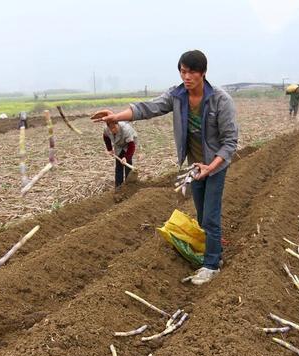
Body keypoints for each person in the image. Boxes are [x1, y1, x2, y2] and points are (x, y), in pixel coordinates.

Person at [92, 50, 238, 285]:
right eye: (182, 71)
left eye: (191, 72)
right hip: (194, 166)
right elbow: (147, 108)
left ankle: (211, 265)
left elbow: (230, 142)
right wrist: (116, 117)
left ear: (203, 73)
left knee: (210, 216)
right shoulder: (177, 95)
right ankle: (213, 253)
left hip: (215, 166)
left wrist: (211, 167)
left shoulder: (221, 100)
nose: (186, 76)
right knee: (201, 215)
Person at [100, 117, 137, 188]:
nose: (113, 130)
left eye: (114, 127)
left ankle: (129, 186)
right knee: (118, 164)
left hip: (129, 143)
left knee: (127, 163)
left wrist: (126, 157)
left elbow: (131, 146)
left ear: (117, 124)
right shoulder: (106, 129)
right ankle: (118, 186)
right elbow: (106, 137)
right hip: (118, 144)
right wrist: (110, 149)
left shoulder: (126, 130)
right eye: (111, 128)